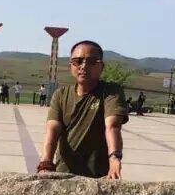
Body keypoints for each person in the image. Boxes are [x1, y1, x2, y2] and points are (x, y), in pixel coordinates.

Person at [38, 40, 128, 180]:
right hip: (64, 174)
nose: (83, 66)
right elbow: (52, 130)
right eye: (77, 61)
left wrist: (114, 158)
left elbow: (112, 126)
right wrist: (46, 164)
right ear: (70, 66)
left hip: (98, 176)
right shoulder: (61, 95)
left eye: (91, 61)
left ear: (101, 66)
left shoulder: (111, 92)